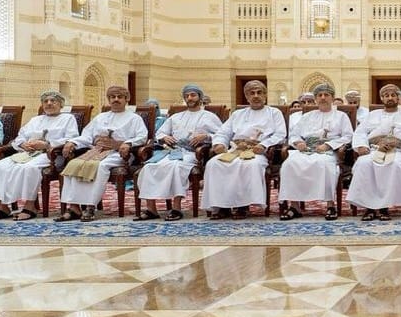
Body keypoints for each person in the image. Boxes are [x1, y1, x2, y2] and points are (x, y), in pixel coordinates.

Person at [57, 85, 148, 222]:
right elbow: (87, 136)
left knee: (100, 166)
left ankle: (90, 206)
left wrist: (127, 143)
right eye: (112, 97)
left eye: (119, 97)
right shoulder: (100, 117)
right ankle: (74, 207)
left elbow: (142, 137)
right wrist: (72, 143)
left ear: (126, 99)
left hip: (119, 153)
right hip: (97, 151)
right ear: (109, 99)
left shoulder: (134, 118)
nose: (115, 99)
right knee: (74, 164)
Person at [135, 84, 223, 221]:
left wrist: (205, 136)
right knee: (149, 167)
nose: (190, 98)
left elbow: (221, 135)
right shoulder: (176, 117)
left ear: (200, 97)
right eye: (187, 96)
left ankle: (176, 208)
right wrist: (165, 137)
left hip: (192, 153)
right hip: (172, 152)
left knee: (176, 167)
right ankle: (151, 209)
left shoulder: (209, 117)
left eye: (193, 95)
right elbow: (160, 133)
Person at [201, 80, 286, 219]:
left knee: (249, 165)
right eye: (252, 93)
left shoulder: (274, 113)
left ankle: (243, 206)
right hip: (235, 150)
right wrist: (219, 144)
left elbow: (280, 134)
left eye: (259, 92)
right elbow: (223, 132)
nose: (256, 96)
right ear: (247, 97)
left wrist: (264, 145)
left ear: (265, 95)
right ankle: (222, 206)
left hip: (257, 151)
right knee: (214, 164)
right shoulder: (237, 114)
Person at [0, 91, 78, 221]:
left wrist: (47, 144)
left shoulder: (68, 119)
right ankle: (3, 207)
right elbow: (20, 137)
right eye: (45, 101)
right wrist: (23, 144)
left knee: (28, 169)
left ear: (61, 104)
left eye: (53, 101)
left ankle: (30, 207)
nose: (49, 103)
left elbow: (72, 138)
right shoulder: (35, 120)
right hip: (27, 153)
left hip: (49, 155)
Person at [347, 84, 401, 221]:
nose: (390, 98)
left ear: (398, 98)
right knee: (363, 164)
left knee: (394, 164)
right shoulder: (372, 115)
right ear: (382, 98)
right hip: (374, 149)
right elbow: (360, 133)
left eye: (393, 95)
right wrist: (361, 146)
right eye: (386, 95)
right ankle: (369, 208)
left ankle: (384, 207)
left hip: (397, 150)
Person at [278, 83, 352, 221]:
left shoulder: (341, 116)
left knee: (324, 164)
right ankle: (294, 206)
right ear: (316, 98)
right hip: (306, 149)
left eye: (326, 95)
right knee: (290, 164)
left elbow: (348, 136)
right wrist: (298, 142)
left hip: (328, 151)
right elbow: (294, 134)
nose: (323, 98)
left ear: (332, 97)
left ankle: (330, 205)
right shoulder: (307, 116)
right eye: (319, 95)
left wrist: (328, 145)